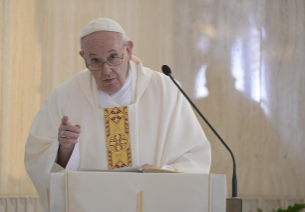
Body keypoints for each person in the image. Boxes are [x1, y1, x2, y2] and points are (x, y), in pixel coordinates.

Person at [24, 17, 211, 211]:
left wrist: (160, 175)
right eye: (95, 60)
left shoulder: (166, 91)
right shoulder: (64, 97)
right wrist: (64, 149)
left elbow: (194, 155)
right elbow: (38, 159)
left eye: (113, 57)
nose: (106, 70)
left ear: (128, 50)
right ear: (84, 58)